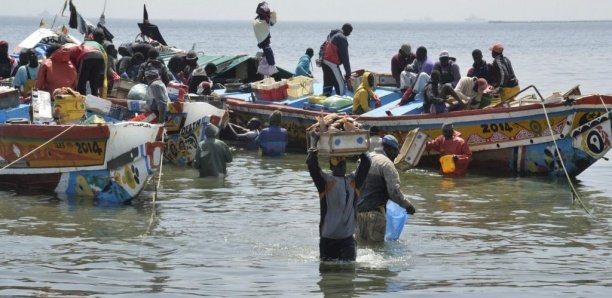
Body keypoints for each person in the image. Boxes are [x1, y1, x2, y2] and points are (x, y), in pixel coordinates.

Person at [306, 134, 371, 262]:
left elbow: (367, 162)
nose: (341, 164)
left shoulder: (353, 181)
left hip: (347, 239)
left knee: (349, 275)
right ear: (331, 166)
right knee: (328, 276)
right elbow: (311, 163)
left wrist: (357, 145)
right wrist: (314, 141)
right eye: (337, 161)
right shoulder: (325, 183)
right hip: (328, 240)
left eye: (343, 162)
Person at [355, 135, 416, 244]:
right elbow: (393, 192)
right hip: (375, 215)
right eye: (395, 152)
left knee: (361, 249)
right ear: (389, 149)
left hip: (358, 214)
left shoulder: (363, 160)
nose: (396, 156)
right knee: (376, 253)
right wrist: (408, 206)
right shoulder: (387, 164)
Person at [320, 23, 353, 96]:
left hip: (324, 62)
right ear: (347, 31)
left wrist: (320, 57)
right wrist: (348, 73)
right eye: (349, 33)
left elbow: (322, 47)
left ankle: (326, 97)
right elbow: (345, 58)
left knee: (328, 82)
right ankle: (341, 100)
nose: (349, 35)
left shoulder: (331, 35)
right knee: (341, 85)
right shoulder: (342, 38)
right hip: (332, 63)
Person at [253, 1, 278, 77]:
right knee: (267, 49)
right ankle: (271, 66)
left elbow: (272, 22)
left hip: (261, 37)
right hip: (263, 37)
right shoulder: (263, 19)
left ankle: (268, 68)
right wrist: (272, 64)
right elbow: (272, 22)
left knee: (266, 50)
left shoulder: (258, 19)